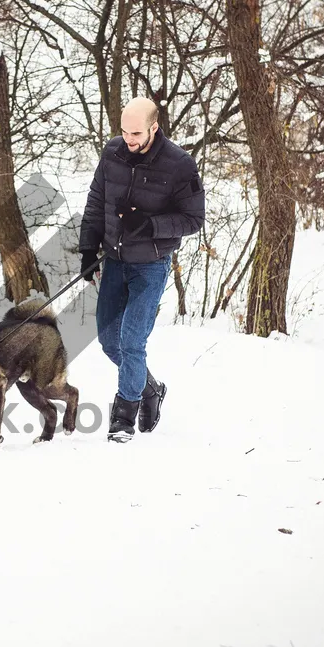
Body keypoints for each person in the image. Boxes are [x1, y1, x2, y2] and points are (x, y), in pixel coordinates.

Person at [78, 97, 206, 442]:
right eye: (124, 131)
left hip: (150, 265)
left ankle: (124, 416)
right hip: (114, 261)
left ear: (154, 126)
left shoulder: (180, 165)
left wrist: (149, 225)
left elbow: (194, 220)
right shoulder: (112, 153)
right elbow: (95, 202)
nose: (129, 140)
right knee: (109, 341)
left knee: (132, 340)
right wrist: (88, 248)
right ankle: (150, 388)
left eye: (136, 133)